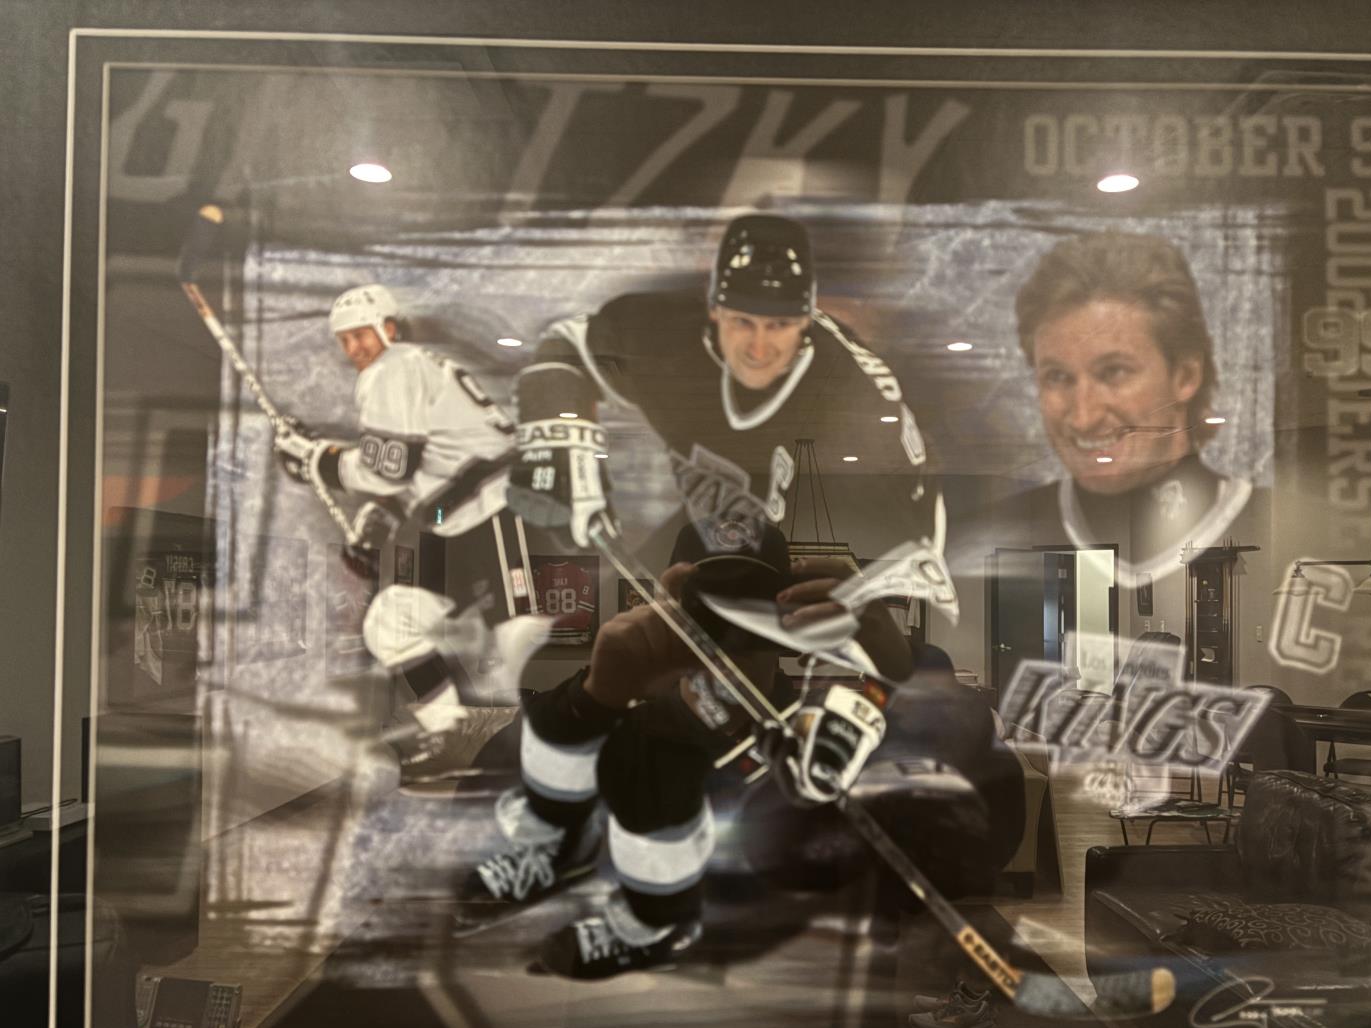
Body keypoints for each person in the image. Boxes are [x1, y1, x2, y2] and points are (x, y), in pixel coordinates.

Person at [456, 524, 916, 978]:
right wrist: (592, 701)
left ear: (791, 620)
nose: (728, 631)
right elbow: (470, 834)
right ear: (665, 612)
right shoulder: (613, 725)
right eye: (707, 606)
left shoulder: (832, 739)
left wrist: (897, 686)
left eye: (751, 605)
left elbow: (920, 874)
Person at [504, 212, 955, 621]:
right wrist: (559, 438)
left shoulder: (853, 398)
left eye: (777, 326)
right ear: (714, 309)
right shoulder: (664, 333)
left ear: (805, 320)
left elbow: (911, 543)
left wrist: (856, 608)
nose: (758, 348)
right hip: (710, 530)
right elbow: (564, 348)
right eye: (743, 322)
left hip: (805, 562)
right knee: (609, 620)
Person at [274, 284, 550, 740]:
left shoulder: (393, 368)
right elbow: (416, 469)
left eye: (361, 334)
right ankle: (452, 734)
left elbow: (389, 471)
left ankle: (560, 742)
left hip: (496, 508)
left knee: (521, 640)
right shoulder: (414, 366)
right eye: (345, 340)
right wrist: (379, 517)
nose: (354, 348)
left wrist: (316, 459)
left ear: (388, 328)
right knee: (391, 622)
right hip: (457, 516)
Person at [955, 231, 1252, 590]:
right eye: (1058, 377)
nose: (1084, 416)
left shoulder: (1293, 539)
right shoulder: (977, 552)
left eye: (1114, 372)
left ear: (1185, 376)